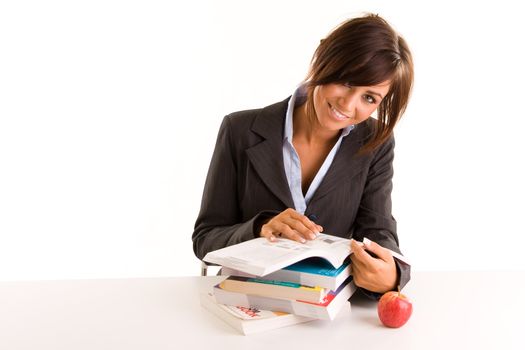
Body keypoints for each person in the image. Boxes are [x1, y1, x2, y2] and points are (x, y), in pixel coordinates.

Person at [192, 14, 414, 298]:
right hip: (247, 302)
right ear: (323, 57)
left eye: (369, 98)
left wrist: (392, 273)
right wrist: (259, 227)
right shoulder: (240, 130)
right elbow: (205, 239)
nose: (348, 104)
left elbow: (378, 231)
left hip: (328, 313)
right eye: (346, 82)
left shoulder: (375, 142)